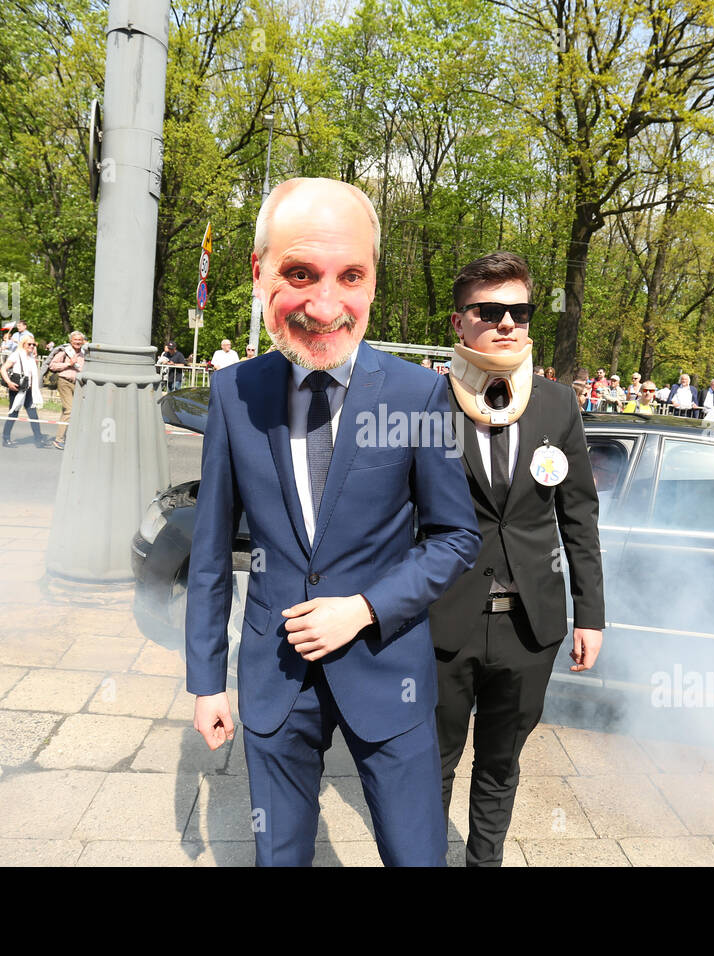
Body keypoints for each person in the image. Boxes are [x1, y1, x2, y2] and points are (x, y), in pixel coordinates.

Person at [185, 177, 480, 867]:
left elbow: (456, 537)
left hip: (388, 671)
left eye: (350, 275)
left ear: (374, 280)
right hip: (274, 678)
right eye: (298, 273)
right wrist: (206, 681)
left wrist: (363, 609)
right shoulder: (235, 391)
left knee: (415, 856)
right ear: (258, 274)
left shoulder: (419, 393)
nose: (325, 305)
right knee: (278, 856)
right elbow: (208, 553)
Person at [432, 251, 603, 867]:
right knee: (434, 765)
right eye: (490, 310)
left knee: (501, 765)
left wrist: (591, 615)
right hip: (442, 622)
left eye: (520, 311)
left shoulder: (557, 405)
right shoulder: (429, 401)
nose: (507, 323)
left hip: (531, 626)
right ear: (459, 323)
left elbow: (579, 516)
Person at [0, 335, 52, 448]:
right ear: (23, 344)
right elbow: (3, 368)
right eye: (29, 344)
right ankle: (6, 438)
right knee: (13, 413)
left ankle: (38, 440)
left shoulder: (31, 357)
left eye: (34, 344)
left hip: (29, 390)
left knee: (33, 415)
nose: (32, 346)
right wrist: (9, 382)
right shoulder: (16, 355)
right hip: (17, 388)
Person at [48, 330, 87, 449]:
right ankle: (58, 440)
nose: (78, 342)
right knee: (69, 410)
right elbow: (52, 365)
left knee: (70, 411)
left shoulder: (84, 353)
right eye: (75, 340)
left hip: (79, 384)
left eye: (80, 340)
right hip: (64, 382)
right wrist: (68, 364)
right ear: (71, 341)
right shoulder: (65, 352)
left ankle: (68, 438)